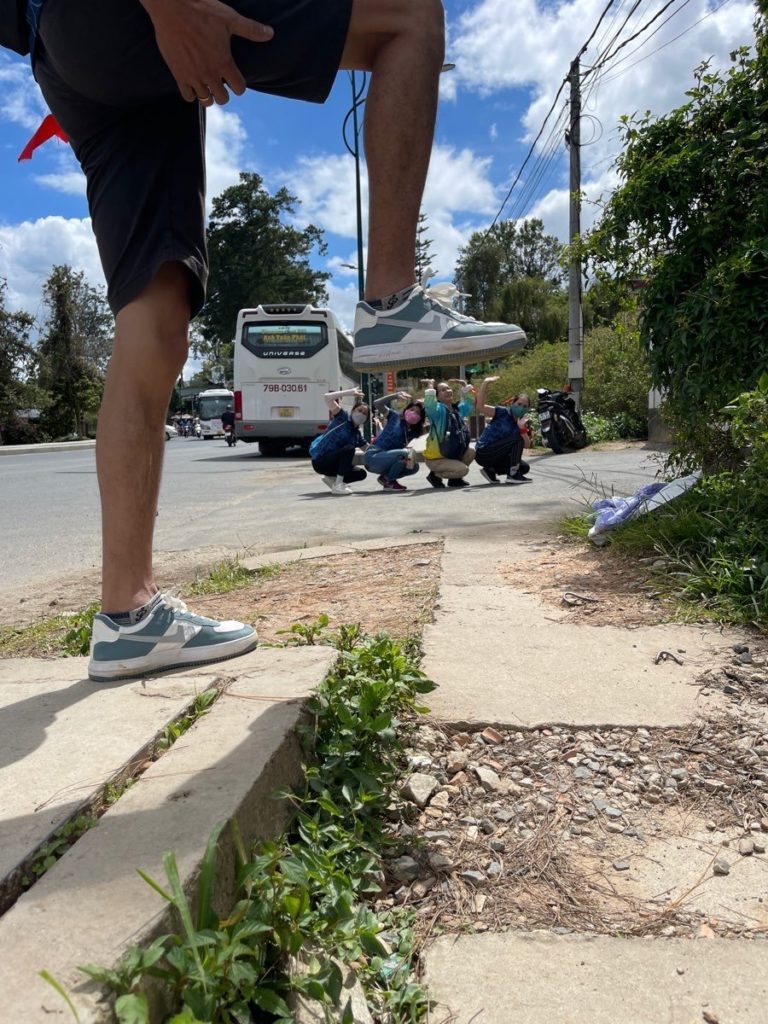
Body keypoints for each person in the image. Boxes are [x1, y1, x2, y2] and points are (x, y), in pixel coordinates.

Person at [3, 0, 528, 683]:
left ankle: (128, 617)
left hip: (65, 58)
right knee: (408, 20)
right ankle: (392, 299)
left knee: (152, 329)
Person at [309, 388, 368, 496]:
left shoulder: (357, 435)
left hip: (333, 465)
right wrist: (349, 392)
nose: (362, 414)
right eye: (360, 410)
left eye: (365, 413)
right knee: (349, 448)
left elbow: (369, 450)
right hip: (320, 460)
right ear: (353, 411)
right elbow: (327, 397)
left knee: (361, 474)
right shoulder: (342, 417)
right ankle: (338, 485)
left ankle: (332, 479)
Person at [364, 391, 425, 492]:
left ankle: (386, 478)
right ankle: (390, 481)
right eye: (412, 409)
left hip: (387, 461)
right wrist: (395, 396)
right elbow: (377, 403)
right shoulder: (395, 417)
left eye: (417, 413)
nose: (414, 413)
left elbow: (433, 423)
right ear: (406, 410)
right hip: (373, 456)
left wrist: (428, 405)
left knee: (414, 466)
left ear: (420, 419)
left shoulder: (412, 432)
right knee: (405, 453)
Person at [474, 378, 531, 484]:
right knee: (517, 439)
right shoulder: (502, 412)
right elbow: (480, 406)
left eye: (524, 406)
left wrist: (522, 428)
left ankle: (490, 470)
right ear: (512, 403)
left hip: (498, 455)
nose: (521, 408)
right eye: (519, 404)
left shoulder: (521, 422)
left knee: (524, 467)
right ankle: (513, 475)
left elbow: (527, 445)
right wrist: (485, 383)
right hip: (484, 452)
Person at [422, 378, 475, 488]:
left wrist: (465, 387)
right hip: (437, 458)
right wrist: (431, 386)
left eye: (448, 388)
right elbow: (430, 404)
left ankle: (455, 480)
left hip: (451, 454)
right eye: (443, 390)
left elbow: (470, 404)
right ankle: (435, 475)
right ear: (437, 396)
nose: (447, 391)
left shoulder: (456, 410)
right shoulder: (437, 411)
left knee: (471, 451)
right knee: (463, 470)